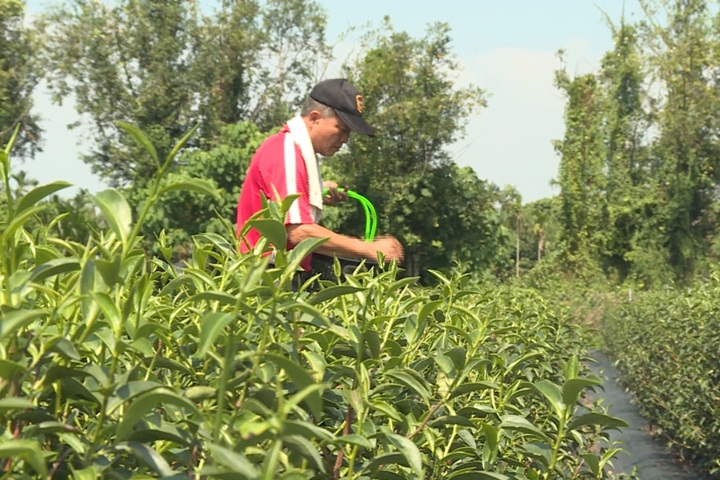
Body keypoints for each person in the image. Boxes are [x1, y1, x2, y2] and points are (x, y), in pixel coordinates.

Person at [236, 78, 404, 277]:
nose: (345, 139)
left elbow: (280, 204)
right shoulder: (287, 152)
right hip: (269, 277)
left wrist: (314, 190)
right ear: (315, 118)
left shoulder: (291, 149)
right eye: (341, 129)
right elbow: (299, 232)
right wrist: (368, 249)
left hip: (277, 273)